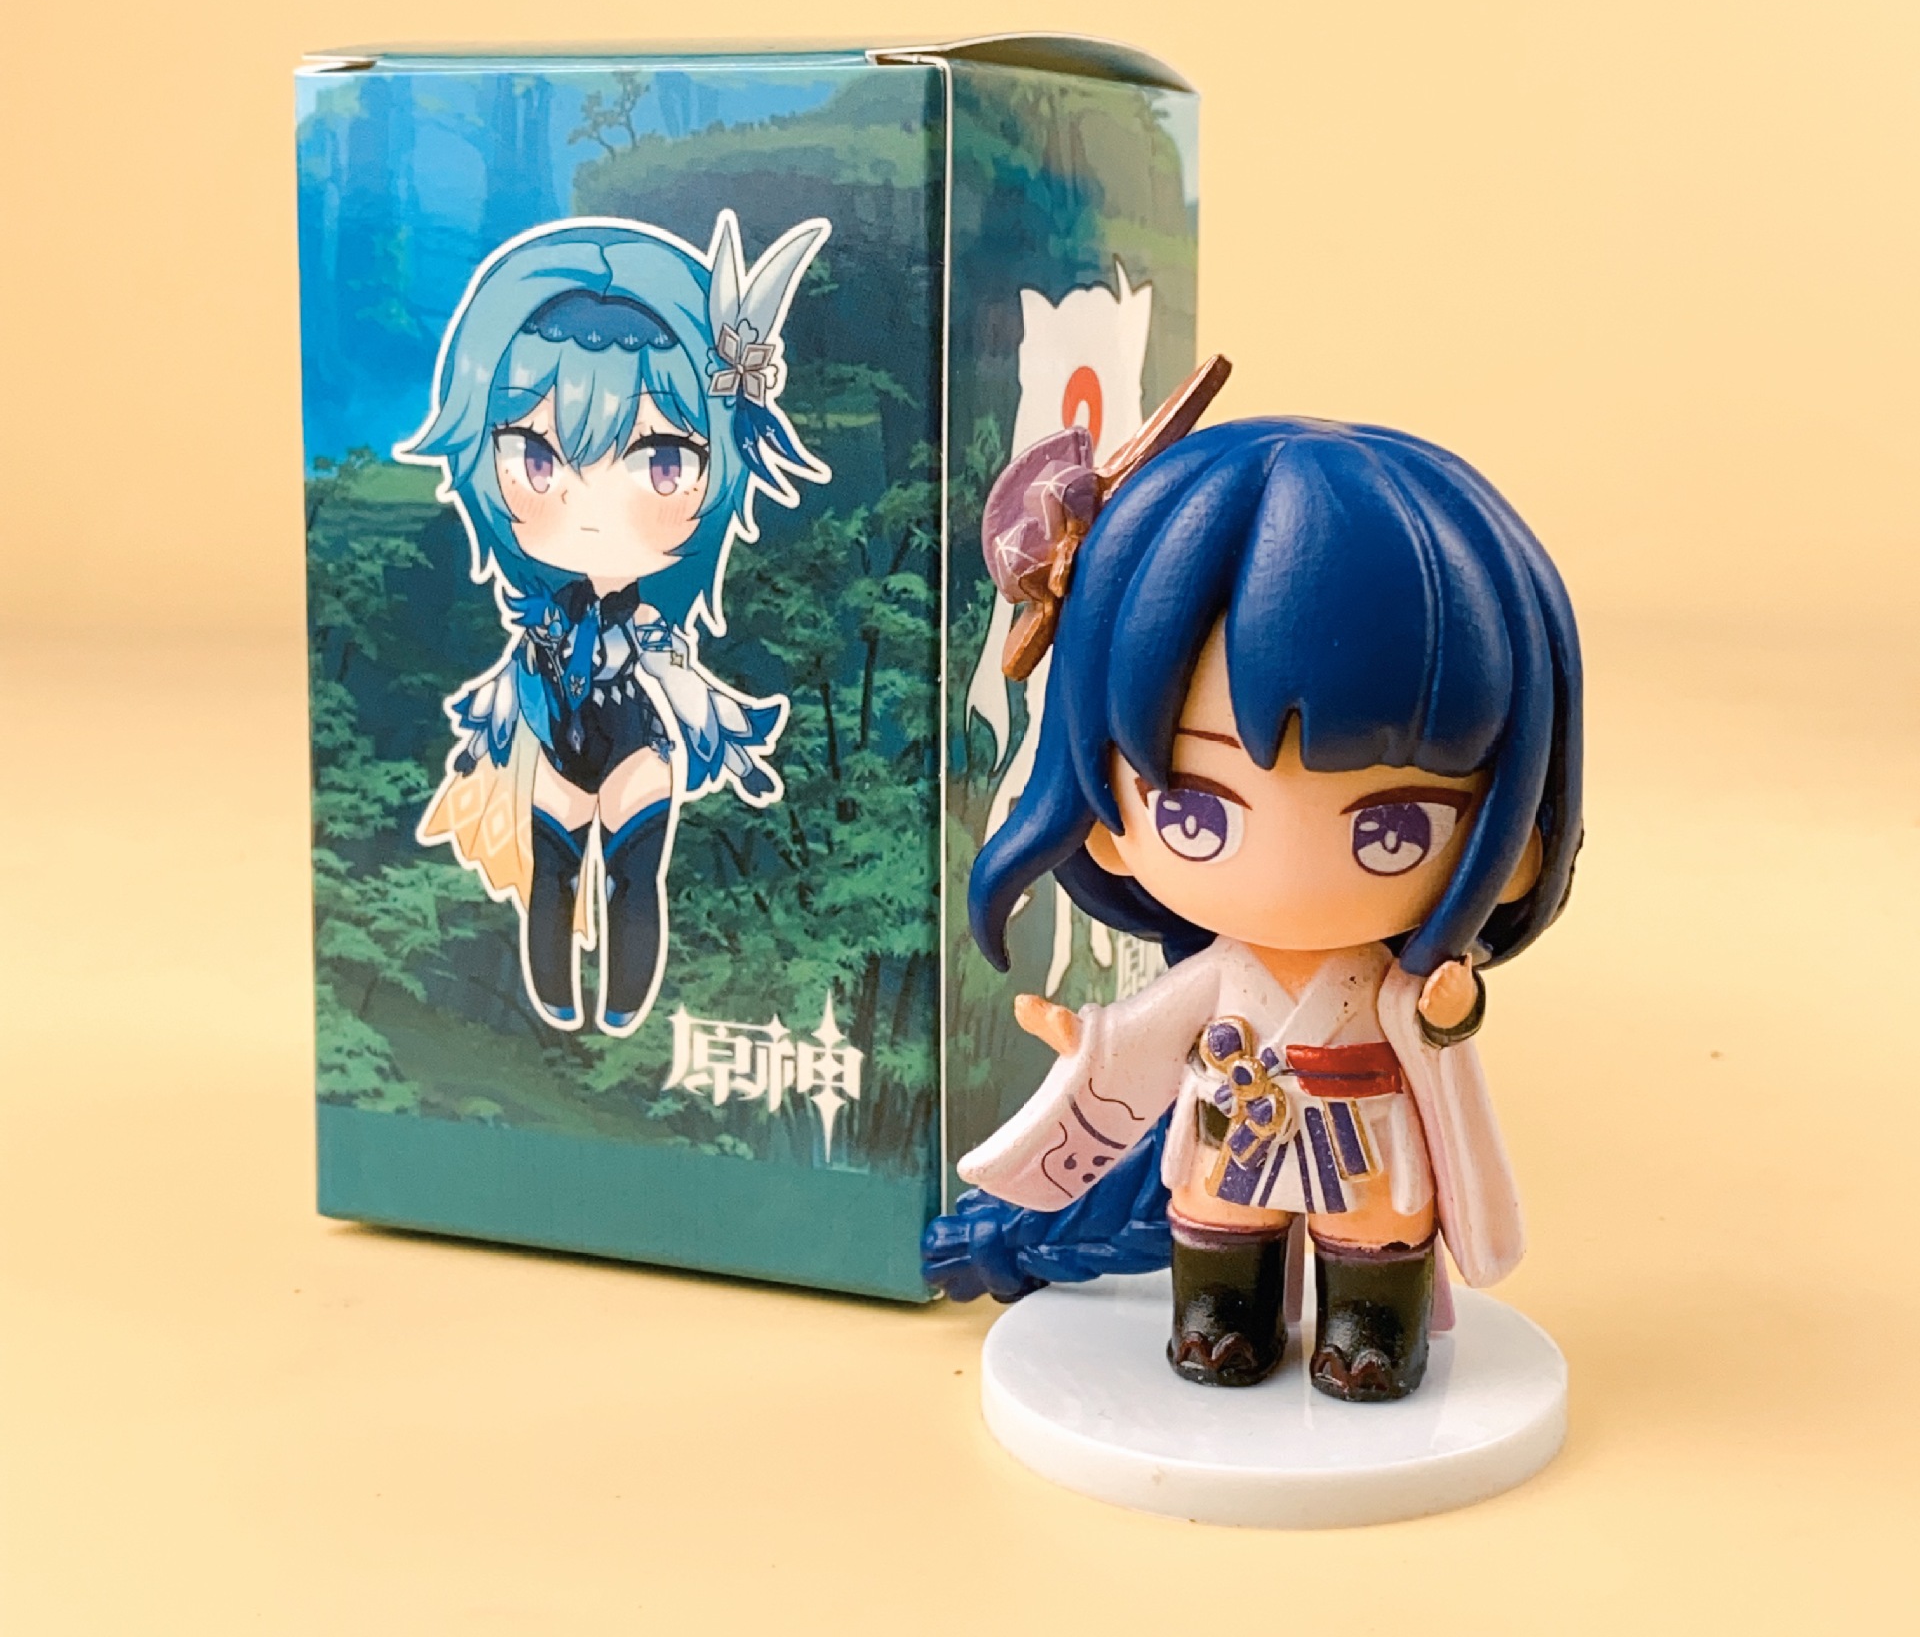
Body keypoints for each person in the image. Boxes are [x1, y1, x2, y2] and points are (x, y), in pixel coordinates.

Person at [936, 387, 1582, 1401]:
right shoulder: (1225, 972)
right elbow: (1156, 1031)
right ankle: (1219, 1321)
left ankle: (1371, 1335)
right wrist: (1090, 1042)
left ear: (1515, 842)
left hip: (1364, 1132)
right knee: (1219, 1224)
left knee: (1374, 1234)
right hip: (1233, 1129)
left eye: (1392, 828)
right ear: (1105, 821)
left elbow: (1436, 1030)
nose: (1285, 873)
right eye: (1197, 812)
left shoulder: (1383, 980)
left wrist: (1449, 1011)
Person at [396, 211, 831, 1038]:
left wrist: (729, 741)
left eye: (662, 462)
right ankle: (559, 1005)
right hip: (556, 742)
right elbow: (510, 684)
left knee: (634, 878)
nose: (590, 506)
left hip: (634, 742)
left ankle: (627, 1004)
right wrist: (487, 736)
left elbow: (683, 685)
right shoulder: (541, 624)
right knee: (554, 876)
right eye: (536, 457)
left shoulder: (649, 629)